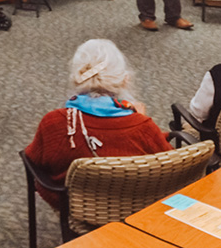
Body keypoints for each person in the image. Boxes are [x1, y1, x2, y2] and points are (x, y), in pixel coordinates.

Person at [24, 39, 171, 211]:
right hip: (135, 207)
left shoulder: (54, 123)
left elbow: (33, 159)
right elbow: (168, 163)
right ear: (125, 79)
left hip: (76, 207)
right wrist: (141, 120)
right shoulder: (142, 126)